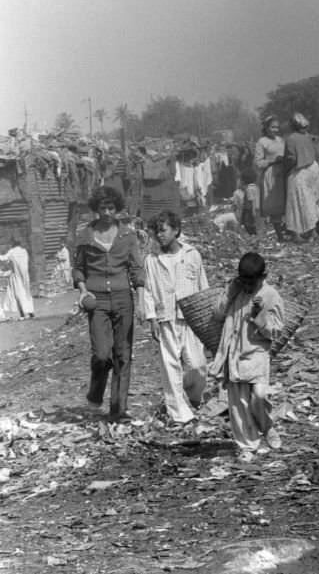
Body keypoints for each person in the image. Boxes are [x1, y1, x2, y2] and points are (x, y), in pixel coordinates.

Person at [73, 186, 146, 421]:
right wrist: (83, 291)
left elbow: (136, 269)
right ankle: (95, 394)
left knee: (122, 355)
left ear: (117, 208)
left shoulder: (127, 236)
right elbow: (78, 268)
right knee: (102, 355)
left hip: (124, 299)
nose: (106, 212)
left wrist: (142, 301)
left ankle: (118, 409)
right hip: (97, 301)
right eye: (102, 208)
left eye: (111, 208)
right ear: (96, 209)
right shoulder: (85, 236)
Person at [211, 252, 284, 462]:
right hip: (233, 354)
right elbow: (217, 314)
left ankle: (266, 425)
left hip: (257, 354)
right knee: (239, 403)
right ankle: (247, 445)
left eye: (251, 282)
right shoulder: (236, 292)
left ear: (263, 276)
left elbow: (276, 331)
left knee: (258, 396)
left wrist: (259, 318)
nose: (248, 286)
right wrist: (230, 291)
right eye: (243, 281)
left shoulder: (270, 295)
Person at [142, 211, 209, 425]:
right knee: (170, 366)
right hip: (166, 317)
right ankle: (179, 413)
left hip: (190, 317)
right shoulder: (152, 261)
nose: (160, 236)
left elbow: (202, 285)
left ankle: (193, 395)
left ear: (176, 231)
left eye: (164, 230)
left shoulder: (192, 254)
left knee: (197, 365)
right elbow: (148, 291)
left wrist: (206, 314)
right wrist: (151, 318)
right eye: (156, 232)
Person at [283, 113, 319, 240]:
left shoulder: (291, 139)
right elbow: (317, 153)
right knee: (311, 201)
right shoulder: (308, 137)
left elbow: (291, 159)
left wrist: (285, 169)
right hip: (314, 169)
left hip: (300, 171)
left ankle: (301, 232)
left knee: (297, 202)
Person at [254, 116, 286, 240]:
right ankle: (279, 235)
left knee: (286, 203)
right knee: (274, 205)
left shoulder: (281, 140)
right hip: (271, 175)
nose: (275, 130)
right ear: (266, 128)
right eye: (273, 127)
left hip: (283, 173)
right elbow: (258, 162)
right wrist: (272, 160)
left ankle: (289, 231)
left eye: (277, 127)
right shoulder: (262, 142)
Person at [0, 236, 34, 319]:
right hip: (25, 276)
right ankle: (30, 312)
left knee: (18, 295)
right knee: (27, 293)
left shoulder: (12, 252)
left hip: (16, 277)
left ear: (13, 243)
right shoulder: (24, 251)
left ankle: (23, 314)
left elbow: (3, 258)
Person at [232, 168, 260, 236]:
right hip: (255, 208)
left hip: (249, 209)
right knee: (250, 223)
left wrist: (253, 211)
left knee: (247, 223)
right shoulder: (255, 187)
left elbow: (252, 201)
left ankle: (253, 234)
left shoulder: (249, 189)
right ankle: (253, 234)